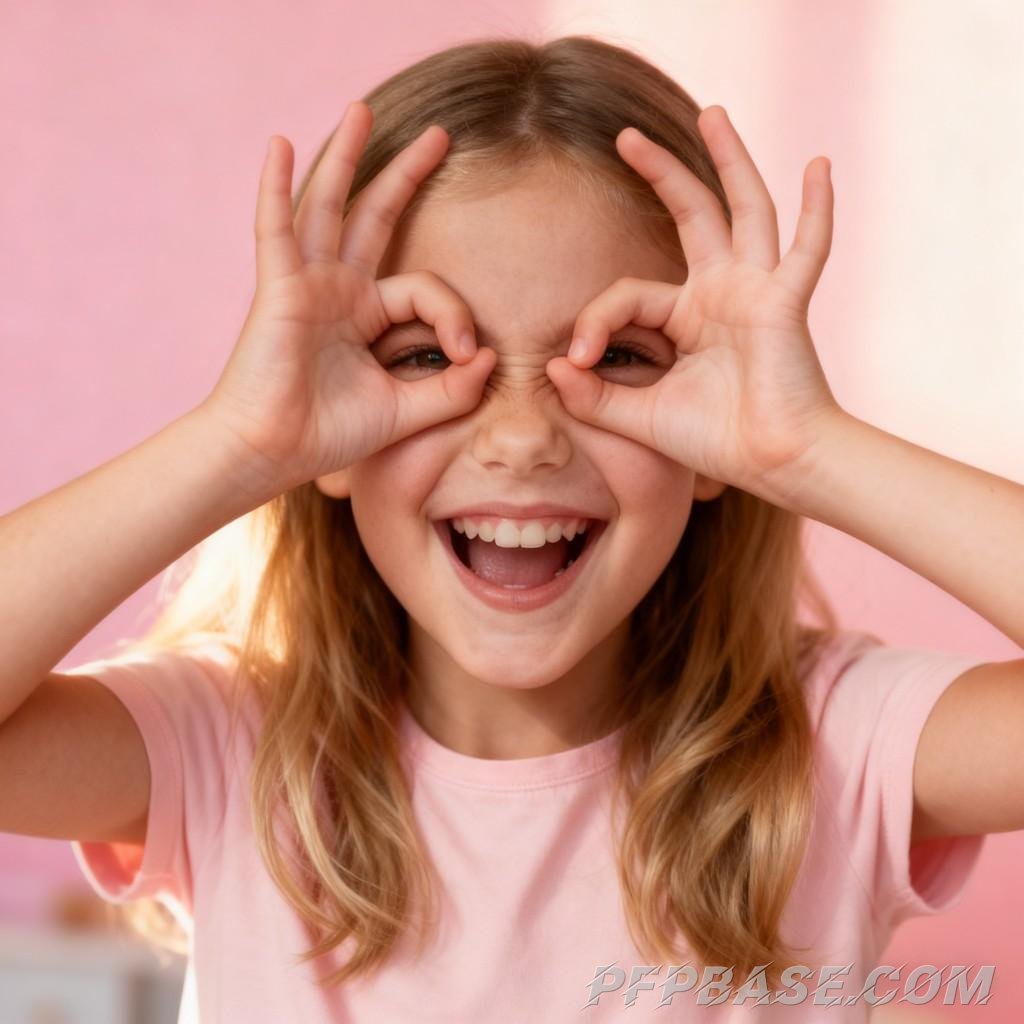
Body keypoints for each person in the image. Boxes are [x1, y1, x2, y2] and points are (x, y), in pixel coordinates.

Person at [1, 34, 1021, 1022]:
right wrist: (240, 442)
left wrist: (803, 448)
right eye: (422, 357)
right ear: (328, 443)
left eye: (619, 356)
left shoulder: (831, 748)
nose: (524, 437)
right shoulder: (228, 749)